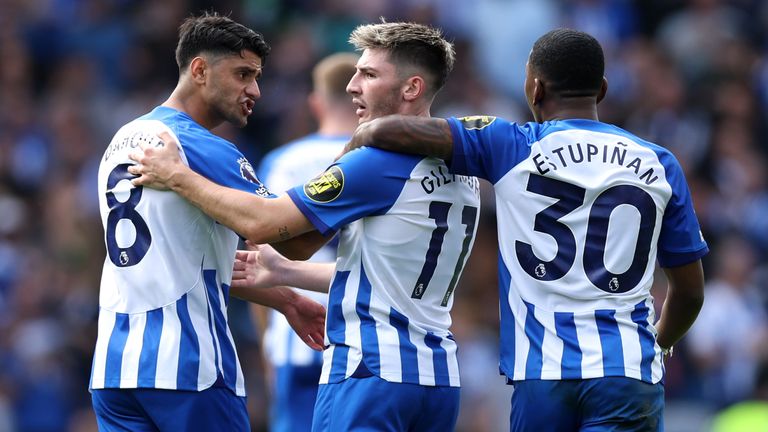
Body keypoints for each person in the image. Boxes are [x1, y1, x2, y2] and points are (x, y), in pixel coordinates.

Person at [340, 28, 708, 431]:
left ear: (534, 89)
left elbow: (390, 130)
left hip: (542, 373)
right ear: (601, 89)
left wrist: (361, 136)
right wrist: (662, 339)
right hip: (627, 370)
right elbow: (689, 291)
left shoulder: (510, 144)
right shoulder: (660, 162)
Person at [128, 21, 481, 431]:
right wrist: (285, 273)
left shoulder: (376, 163)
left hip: (371, 372)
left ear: (411, 88)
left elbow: (262, 223)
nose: (353, 85)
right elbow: (384, 275)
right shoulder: (464, 168)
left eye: (368, 74)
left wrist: (176, 175)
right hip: (437, 378)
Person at [90, 12, 326, 432]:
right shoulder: (199, 145)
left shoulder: (122, 137)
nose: (254, 90)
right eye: (242, 74)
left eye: (256, 76)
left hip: (115, 370)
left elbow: (181, 258)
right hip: (188, 366)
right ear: (199, 69)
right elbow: (284, 233)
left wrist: (287, 302)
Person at [255, 52, 358, 432]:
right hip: (366, 333)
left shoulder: (282, 161)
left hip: (294, 337)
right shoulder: (386, 160)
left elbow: (258, 258)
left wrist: (269, 340)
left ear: (316, 102)